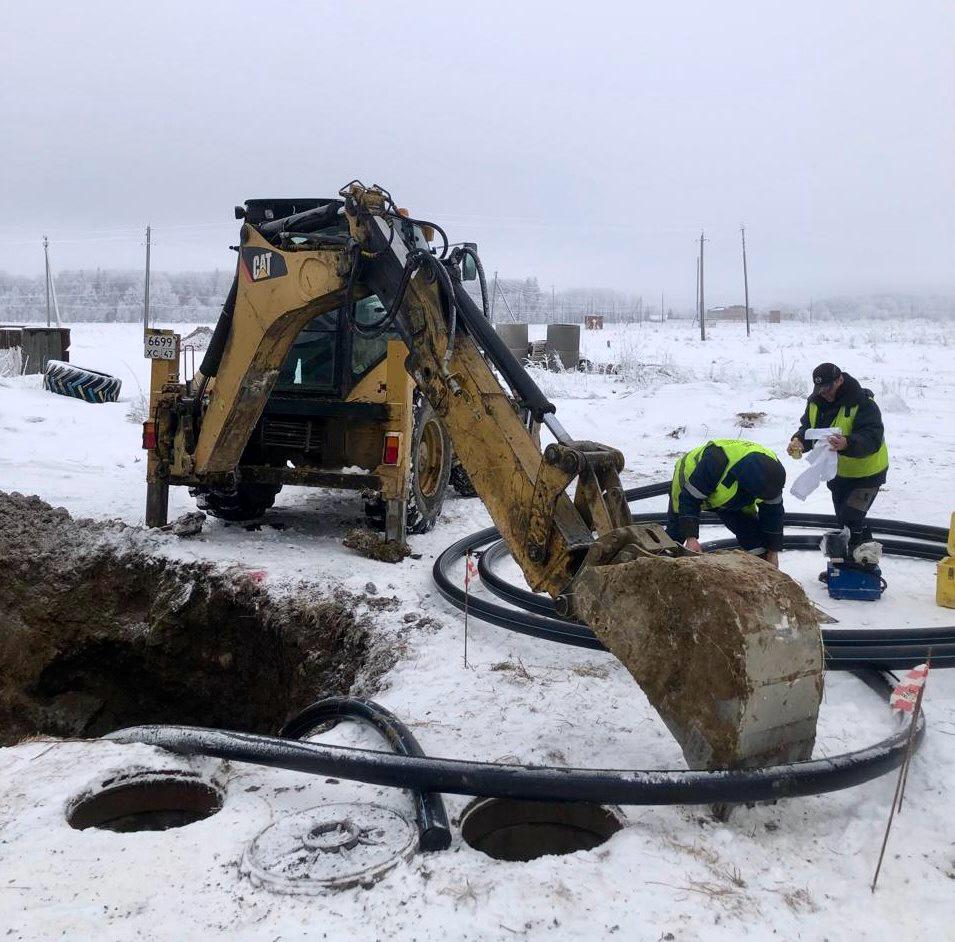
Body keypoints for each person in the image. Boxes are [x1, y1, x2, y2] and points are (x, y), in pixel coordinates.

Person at [787, 363, 888, 555]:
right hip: (838, 474)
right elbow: (809, 429)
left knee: (851, 519)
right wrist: (799, 441)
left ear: (839, 379)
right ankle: (853, 564)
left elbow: (872, 438)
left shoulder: (863, 403)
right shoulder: (815, 402)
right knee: (844, 522)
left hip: (867, 474)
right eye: (820, 389)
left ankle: (860, 568)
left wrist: (847, 443)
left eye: (828, 388)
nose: (824, 393)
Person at [666, 439, 786, 567]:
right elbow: (689, 499)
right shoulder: (716, 462)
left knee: (753, 537)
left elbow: (773, 514)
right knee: (676, 534)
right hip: (690, 482)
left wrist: (773, 551)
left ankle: (761, 569)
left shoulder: (772, 475)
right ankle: (661, 561)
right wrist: (691, 537)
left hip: (727, 495)